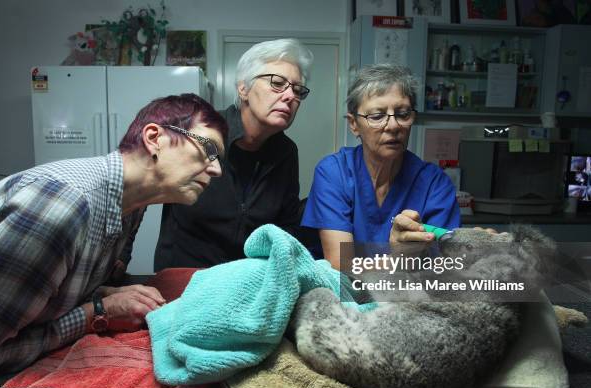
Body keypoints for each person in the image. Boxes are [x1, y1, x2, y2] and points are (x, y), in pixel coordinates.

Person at [0, 93, 226, 381]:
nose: (217, 169)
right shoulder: (60, 207)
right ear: (154, 138)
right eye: (208, 148)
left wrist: (103, 293)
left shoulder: (133, 203)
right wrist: (96, 314)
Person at [155, 38, 314, 268]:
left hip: (246, 282)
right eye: (277, 83)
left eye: (297, 90)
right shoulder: (199, 131)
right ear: (243, 88)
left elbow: (286, 225)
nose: (290, 96)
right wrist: (120, 257)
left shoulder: (286, 152)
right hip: (186, 280)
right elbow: (142, 186)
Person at [301, 64, 460, 269]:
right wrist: (398, 260)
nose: (393, 126)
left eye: (403, 114)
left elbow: (443, 266)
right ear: (353, 124)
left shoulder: (434, 184)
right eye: (377, 116)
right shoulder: (334, 172)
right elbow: (340, 265)